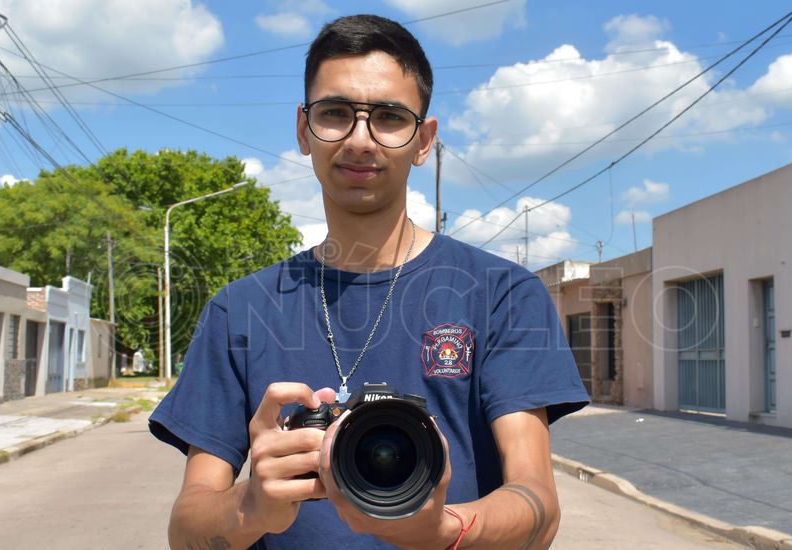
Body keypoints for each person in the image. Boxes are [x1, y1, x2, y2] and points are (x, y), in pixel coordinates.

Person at [149, 14, 589, 549]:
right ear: (303, 129)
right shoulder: (239, 310)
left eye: (388, 117)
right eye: (335, 113)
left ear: (424, 140)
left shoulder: (502, 295)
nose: (360, 140)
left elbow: (538, 505)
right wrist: (252, 505)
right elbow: (185, 529)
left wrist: (439, 529)